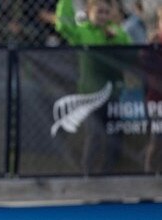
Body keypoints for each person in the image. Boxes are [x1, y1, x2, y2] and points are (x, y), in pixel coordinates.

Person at [55, 0, 132, 175]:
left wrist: (116, 37)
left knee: (115, 138)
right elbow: (63, 26)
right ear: (89, 13)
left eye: (106, 12)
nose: (103, 16)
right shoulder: (82, 32)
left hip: (114, 94)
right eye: (99, 12)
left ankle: (109, 173)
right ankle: (87, 174)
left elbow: (131, 52)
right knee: (95, 136)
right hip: (90, 95)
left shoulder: (116, 32)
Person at [144, 6, 162, 172]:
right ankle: (149, 176)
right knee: (157, 140)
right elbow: (149, 74)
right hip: (157, 100)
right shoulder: (153, 45)